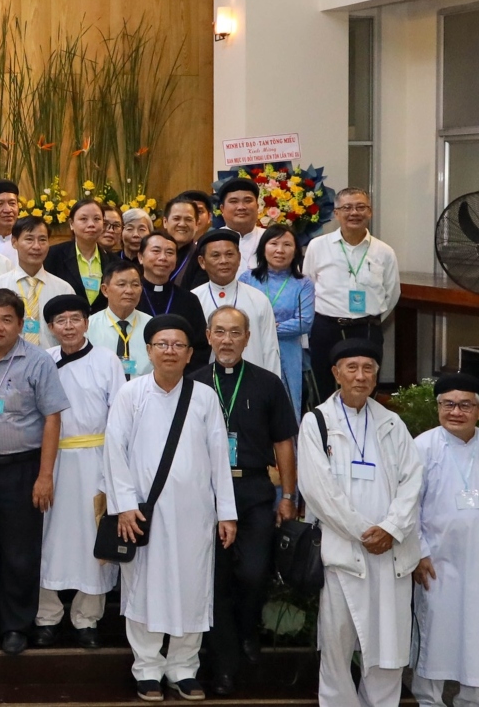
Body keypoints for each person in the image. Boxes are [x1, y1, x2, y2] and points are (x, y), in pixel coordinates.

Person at [104, 314, 238, 702]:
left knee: (193, 588)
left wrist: (225, 512)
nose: (170, 351)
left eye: (178, 345)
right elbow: (114, 452)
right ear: (149, 350)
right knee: (143, 587)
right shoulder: (131, 394)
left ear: (190, 352)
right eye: (162, 344)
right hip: (144, 515)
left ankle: (183, 668)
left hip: (195, 515)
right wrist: (125, 506)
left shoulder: (204, 396)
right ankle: (146, 668)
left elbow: (218, 459)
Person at [298, 339, 422, 707]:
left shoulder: (392, 423)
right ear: (335, 373)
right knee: (337, 646)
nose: (360, 376)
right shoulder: (316, 422)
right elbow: (318, 489)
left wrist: (391, 529)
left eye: (368, 368)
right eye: (351, 368)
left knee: (390, 647)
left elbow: (412, 481)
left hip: (390, 553)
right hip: (343, 553)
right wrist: (363, 532)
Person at [191, 306, 298, 696]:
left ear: (247, 338)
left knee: (253, 573)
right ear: (208, 336)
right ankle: (225, 665)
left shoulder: (268, 384)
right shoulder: (195, 383)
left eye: (235, 333)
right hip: (206, 495)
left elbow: (284, 442)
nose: (227, 340)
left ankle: (247, 628)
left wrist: (288, 495)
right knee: (216, 580)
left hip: (253, 491)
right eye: (220, 332)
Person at [0, 289, 68, 656]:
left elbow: (53, 418)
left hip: (22, 468)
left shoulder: (37, 361)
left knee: (20, 551)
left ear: (21, 324)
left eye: (6, 319)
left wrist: (45, 475)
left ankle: (16, 625)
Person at [33, 294, 125, 650]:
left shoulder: (106, 361)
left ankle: (87, 618)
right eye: (60, 321)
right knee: (48, 536)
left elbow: (118, 414)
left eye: (75, 319)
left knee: (93, 538)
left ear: (86, 323)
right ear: (51, 328)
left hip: (95, 459)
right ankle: (47, 615)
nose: (68, 326)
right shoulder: (44, 361)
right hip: (52, 461)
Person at [411, 373, 479, 707]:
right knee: (435, 633)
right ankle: (429, 700)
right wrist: (418, 553)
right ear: (437, 407)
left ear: (477, 409)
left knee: (475, 637)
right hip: (435, 562)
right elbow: (407, 506)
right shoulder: (422, 446)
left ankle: (471, 699)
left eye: (465, 404)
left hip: (477, 563)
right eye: (448, 404)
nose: (456, 411)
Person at [303, 188, 400, 404]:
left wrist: (370, 320)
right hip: (325, 328)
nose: (354, 212)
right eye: (346, 207)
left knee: (363, 388)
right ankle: (325, 434)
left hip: (365, 329)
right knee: (323, 389)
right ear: (337, 213)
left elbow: (392, 293)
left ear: (370, 212)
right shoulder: (318, 246)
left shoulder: (384, 252)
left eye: (360, 207)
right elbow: (307, 287)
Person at [242, 225, 315, 418]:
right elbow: (240, 318)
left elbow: (304, 323)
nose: (280, 250)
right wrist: (272, 328)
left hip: (289, 353)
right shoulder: (247, 279)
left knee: (287, 410)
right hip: (253, 349)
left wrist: (264, 328)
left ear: (296, 251)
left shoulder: (303, 283)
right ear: (263, 247)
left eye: (287, 244)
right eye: (273, 243)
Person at [191, 229, 282, 376]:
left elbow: (270, 349)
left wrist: (271, 388)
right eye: (215, 255)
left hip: (252, 383)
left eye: (229, 254)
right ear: (202, 262)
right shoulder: (193, 299)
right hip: (205, 385)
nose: (224, 261)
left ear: (239, 258)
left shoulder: (257, 299)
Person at [136, 231, 212, 370]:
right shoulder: (130, 296)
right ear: (140, 257)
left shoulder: (189, 300)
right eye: (156, 251)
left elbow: (200, 347)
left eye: (170, 253)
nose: (163, 258)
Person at [0, 215, 76, 348]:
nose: (36, 246)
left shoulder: (63, 289)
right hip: (10, 363)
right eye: (29, 239)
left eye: (42, 240)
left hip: (53, 363)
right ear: (14, 242)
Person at [45, 199, 113, 311]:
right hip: (65, 323)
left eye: (97, 219)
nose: (91, 224)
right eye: (83, 219)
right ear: (71, 224)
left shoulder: (113, 261)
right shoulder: (53, 255)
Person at [87, 261, 152, 379]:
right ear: (105, 290)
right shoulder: (89, 326)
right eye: (122, 285)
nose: (129, 291)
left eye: (135, 285)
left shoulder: (151, 325)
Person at [218, 178, 263, 272]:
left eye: (248, 200)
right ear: (222, 209)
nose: (241, 207)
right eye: (234, 201)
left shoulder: (271, 239)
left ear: (257, 206)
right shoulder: (212, 241)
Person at [162, 196, 205, 290]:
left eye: (188, 219)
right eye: (176, 218)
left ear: (197, 224)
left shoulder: (202, 258)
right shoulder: (152, 254)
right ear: (165, 222)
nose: (182, 224)